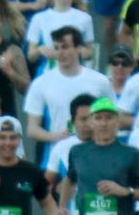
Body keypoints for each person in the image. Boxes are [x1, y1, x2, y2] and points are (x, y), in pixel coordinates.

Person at [22, 26, 111, 154]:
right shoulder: (40, 83)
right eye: (56, 48)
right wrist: (56, 137)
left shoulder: (100, 82)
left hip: (95, 153)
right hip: (58, 156)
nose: (60, 53)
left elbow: (112, 118)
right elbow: (32, 129)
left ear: (78, 48)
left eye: (65, 47)